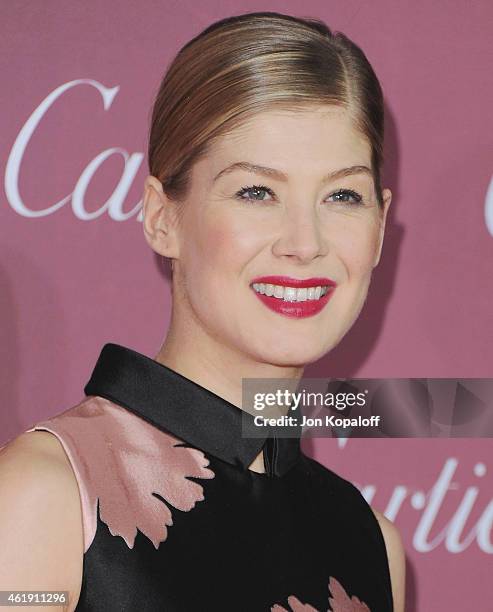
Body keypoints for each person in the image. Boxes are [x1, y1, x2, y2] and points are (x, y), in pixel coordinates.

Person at [0, 11, 405, 612]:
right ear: (163, 216)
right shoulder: (47, 496)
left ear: (379, 227)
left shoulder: (371, 543)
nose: (305, 242)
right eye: (256, 192)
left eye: (342, 195)